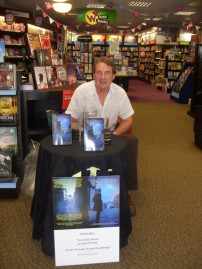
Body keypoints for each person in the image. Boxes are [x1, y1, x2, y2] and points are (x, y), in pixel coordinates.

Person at [65, 56, 137, 216]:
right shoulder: (82, 91)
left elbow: (128, 119)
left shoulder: (120, 93)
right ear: (93, 74)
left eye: (107, 73)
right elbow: (69, 118)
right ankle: (73, 192)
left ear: (113, 76)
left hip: (110, 135)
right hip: (85, 137)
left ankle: (125, 192)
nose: (102, 77)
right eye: (99, 73)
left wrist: (115, 134)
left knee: (131, 141)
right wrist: (83, 129)